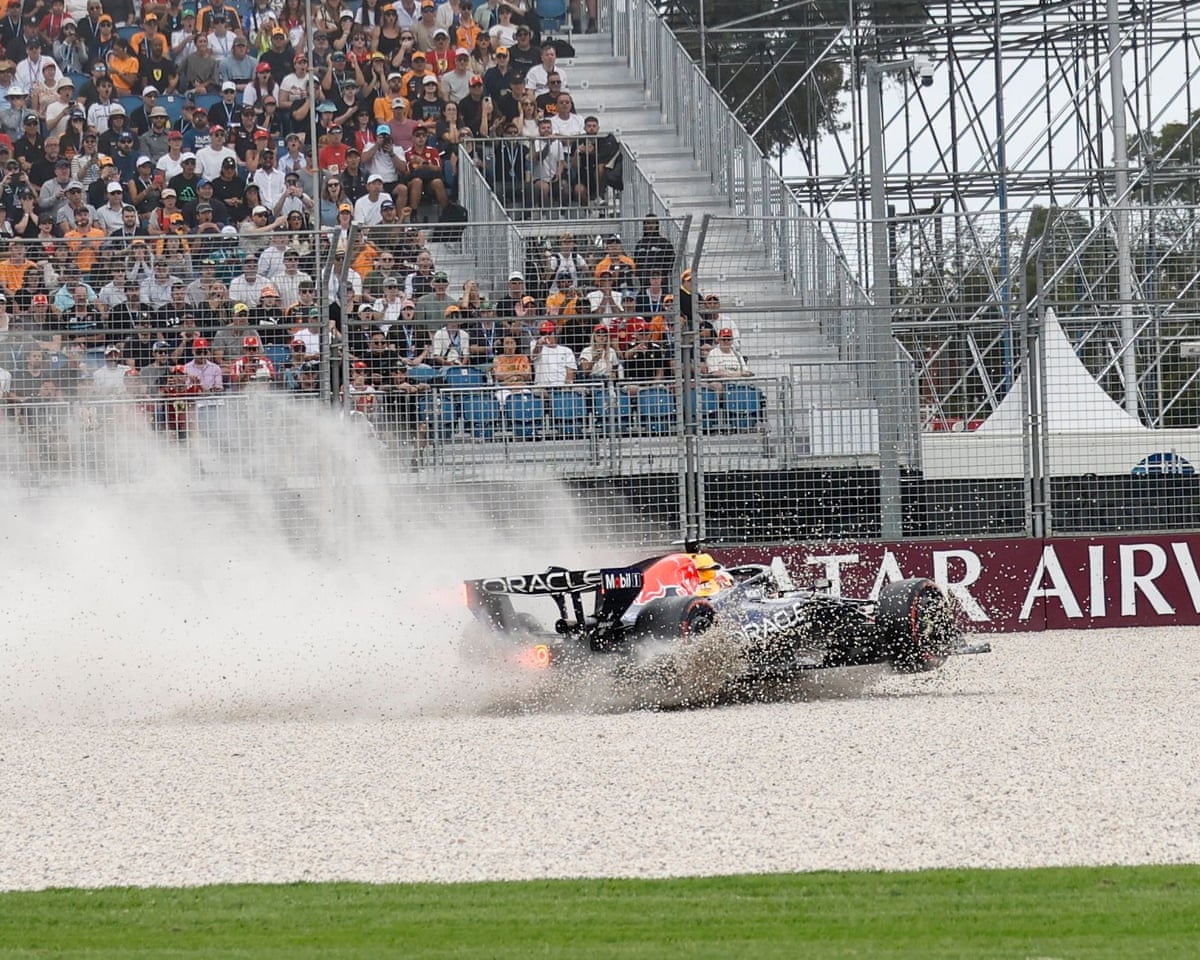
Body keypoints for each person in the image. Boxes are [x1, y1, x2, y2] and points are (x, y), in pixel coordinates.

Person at [531, 318, 575, 389]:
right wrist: (539, 343)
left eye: (549, 333)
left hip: (560, 387)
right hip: (541, 387)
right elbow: (535, 353)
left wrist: (567, 387)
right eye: (543, 333)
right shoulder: (534, 344)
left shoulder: (566, 351)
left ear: (555, 334)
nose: (546, 336)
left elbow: (570, 372)